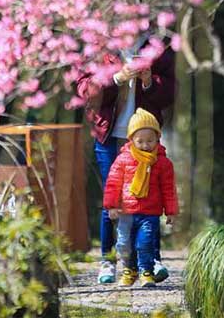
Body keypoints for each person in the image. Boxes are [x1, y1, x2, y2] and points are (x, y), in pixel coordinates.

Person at [76, 35, 175, 284]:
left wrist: (149, 82)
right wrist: (116, 78)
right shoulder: (97, 42)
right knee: (112, 200)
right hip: (109, 136)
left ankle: (151, 260)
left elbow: (171, 92)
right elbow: (85, 91)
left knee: (150, 197)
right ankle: (108, 261)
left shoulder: (157, 44)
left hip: (145, 138)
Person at [103, 108, 178, 287]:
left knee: (145, 243)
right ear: (131, 140)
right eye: (140, 141)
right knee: (124, 244)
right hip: (126, 212)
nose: (145, 145)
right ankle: (129, 271)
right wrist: (111, 206)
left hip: (149, 213)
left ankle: (146, 271)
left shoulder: (162, 162)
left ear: (157, 138)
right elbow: (113, 184)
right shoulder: (123, 160)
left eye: (150, 140)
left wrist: (171, 211)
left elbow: (168, 189)